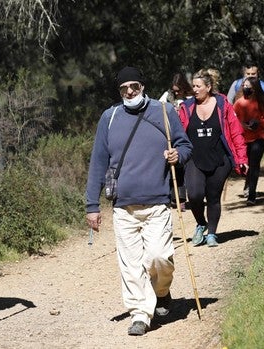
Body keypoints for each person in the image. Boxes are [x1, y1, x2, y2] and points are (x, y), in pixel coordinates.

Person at [85, 67, 192, 336]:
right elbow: (98, 163)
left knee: (159, 258)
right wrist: (92, 205)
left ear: (143, 86)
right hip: (123, 205)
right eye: (124, 88)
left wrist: (177, 155)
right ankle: (140, 315)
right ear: (119, 91)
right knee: (131, 265)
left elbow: (186, 146)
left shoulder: (164, 112)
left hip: (157, 201)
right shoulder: (109, 118)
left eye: (134, 86)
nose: (129, 92)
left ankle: (162, 291)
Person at [178, 69, 248, 247]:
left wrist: (241, 159)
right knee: (194, 195)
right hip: (195, 158)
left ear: (208, 87)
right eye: (193, 86)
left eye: (198, 86)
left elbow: (236, 133)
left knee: (213, 196)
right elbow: (178, 133)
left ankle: (212, 233)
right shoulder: (186, 108)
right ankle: (201, 223)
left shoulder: (223, 105)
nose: (194, 89)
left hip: (220, 158)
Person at [233, 76, 264, 205]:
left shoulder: (262, 103)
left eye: (248, 87)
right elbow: (232, 121)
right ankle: (248, 183)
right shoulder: (238, 103)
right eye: (244, 86)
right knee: (245, 166)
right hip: (243, 139)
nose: (246, 89)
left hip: (258, 138)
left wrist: (259, 123)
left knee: (254, 165)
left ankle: (252, 194)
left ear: (255, 88)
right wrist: (242, 125)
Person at [158, 72, 195, 211]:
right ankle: (175, 198)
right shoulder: (167, 97)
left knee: (186, 168)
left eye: (179, 90)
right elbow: (159, 109)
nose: (177, 92)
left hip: (188, 134)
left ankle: (185, 197)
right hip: (172, 135)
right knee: (175, 166)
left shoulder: (191, 98)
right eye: (175, 90)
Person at [227, 62, 264, 142]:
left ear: (258, 74)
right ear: (244, 73)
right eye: (248, 73)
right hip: (240, 131)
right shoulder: (236, 85)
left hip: (258, 133)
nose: (250, 76)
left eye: (253, 74)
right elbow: (228, 106)